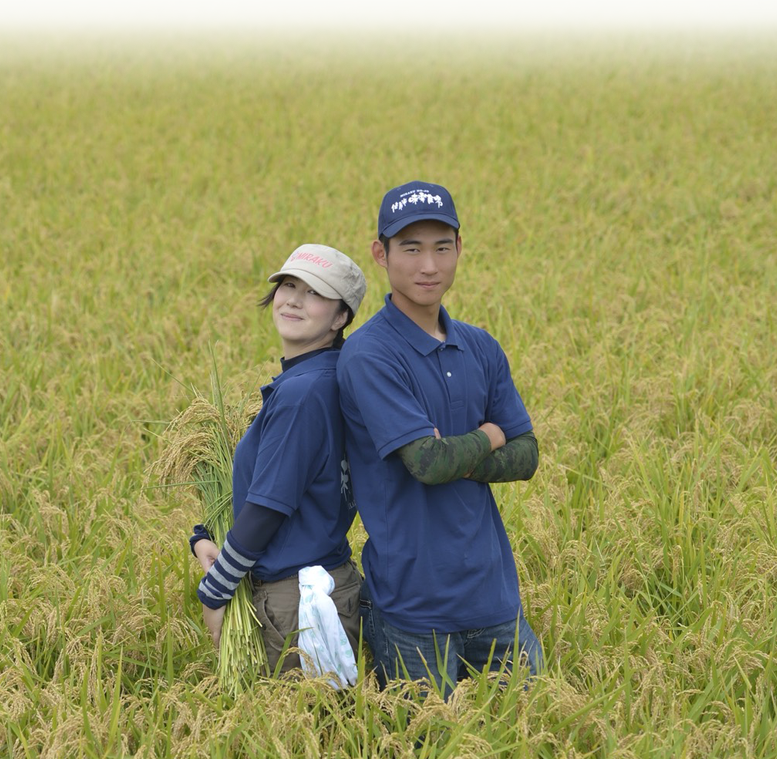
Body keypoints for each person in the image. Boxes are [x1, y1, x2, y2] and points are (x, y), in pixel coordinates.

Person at [336, 181, 542, 698]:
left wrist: (459, 450)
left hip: (494, 599)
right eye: (411, 248)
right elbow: (426, 463)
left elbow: (527, 456)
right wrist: (490, 434)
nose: (429, 265)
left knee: (533, 744)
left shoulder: (480, 346)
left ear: (458, 250)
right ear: (380, 254)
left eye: (441, 247)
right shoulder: (370, 355)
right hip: (412, 610)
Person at [190, 244, 367, 677]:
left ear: (341, 317)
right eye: (289, 285)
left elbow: (269, 506)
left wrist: (215, 592)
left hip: (295, 606)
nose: (292, 299)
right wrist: (205, 535)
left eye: (314, 293)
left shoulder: (302, 393)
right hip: (327, 584)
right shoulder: (329, 376)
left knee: (300, 738)